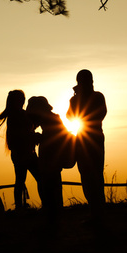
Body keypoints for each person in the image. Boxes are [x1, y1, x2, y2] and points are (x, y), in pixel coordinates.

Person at [0, 90, 40, 210]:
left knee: (22, 180)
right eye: (21, 99)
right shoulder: (16, 116)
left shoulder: (18, 115)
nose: (23, 101)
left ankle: (20, 207)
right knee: (31, 179)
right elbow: (20, 134)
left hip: (23, 153)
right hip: (23, 153)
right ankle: (22, 207)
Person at [26, 96, 75, 224]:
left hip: (51, 155)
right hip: (54, 155)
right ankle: (54, 213)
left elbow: (53, 136)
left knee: (48, 184)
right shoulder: (52, 117)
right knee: (52, 184)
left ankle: (52, 214)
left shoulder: (49, 119)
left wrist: (38, 138)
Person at [67, 69, 107, 218]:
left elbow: (98, 114)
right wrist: (76, 98)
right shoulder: (78, 99)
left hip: (92, 137)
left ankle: (98, 213)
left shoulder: (97, 97)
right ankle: (95, 212)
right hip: (85, 137)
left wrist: (78, 98)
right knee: (87, 176)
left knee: (94, 175)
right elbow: (70, 116)